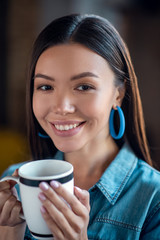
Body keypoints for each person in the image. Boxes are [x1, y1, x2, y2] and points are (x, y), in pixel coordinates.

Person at [0, 13, 160, 240]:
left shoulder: (153, 200)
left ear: (119, 94)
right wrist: (8, 232)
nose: (62, 107)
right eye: (45, 87)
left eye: (84, 86)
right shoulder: (12, 186)